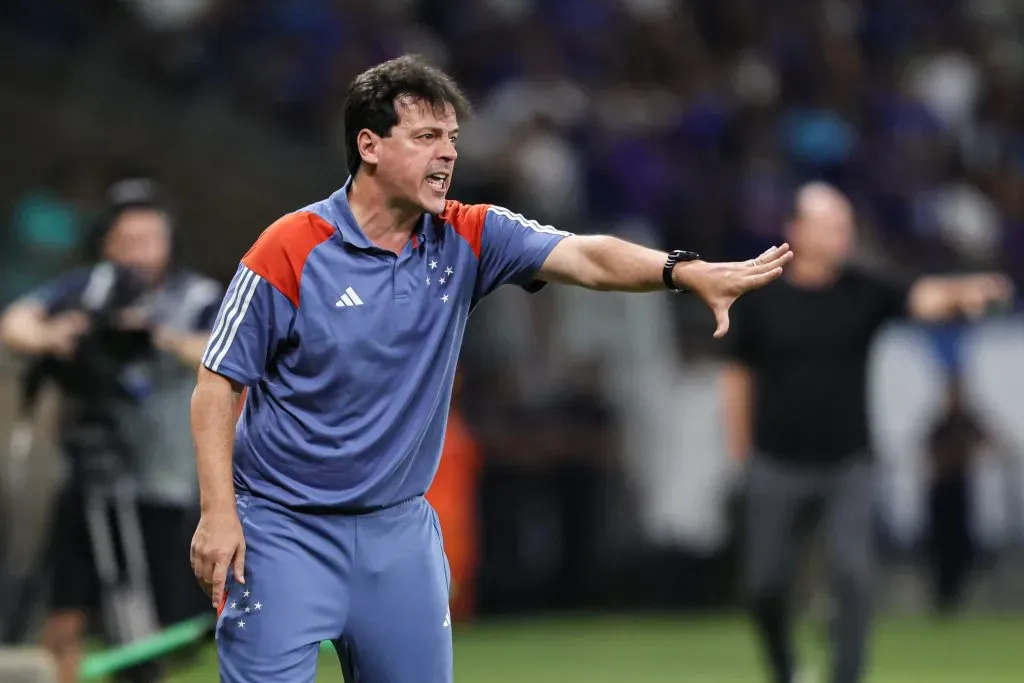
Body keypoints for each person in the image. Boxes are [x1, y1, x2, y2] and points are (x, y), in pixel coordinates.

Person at [189, 54, 794, 683]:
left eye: (451, 138)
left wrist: (682, 270)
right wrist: (219, 513)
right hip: (285, 531)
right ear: (368, 145)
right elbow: (216, 385)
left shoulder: (469, 236)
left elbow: (585, 256)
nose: (447, 154)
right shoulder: (289, 248)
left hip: (398, 536)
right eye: (426, 137)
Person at [720, 182, 1013, 683]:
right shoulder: (761, 296)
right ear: (796, 231)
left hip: (847, 461)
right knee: (765, 584)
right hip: (777, 459)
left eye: (845, 225)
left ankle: (845, 676)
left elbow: (922, 297)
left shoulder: (864, 288)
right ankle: (785, 666)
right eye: (830, 224)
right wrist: (741, 447)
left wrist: (966, 292)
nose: (842, 234)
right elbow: (737, 374)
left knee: (853, 576)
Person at [0, 178, 221, 683]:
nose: (135, 254)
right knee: (64, 612)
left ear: (169, 242)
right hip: (86, 471)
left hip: (161, 482)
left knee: (148, 628)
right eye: (124, 242)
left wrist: (156, 337)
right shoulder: (91, 286)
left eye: (147, 240)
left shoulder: (199, 297)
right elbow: (15, 321)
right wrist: (54, 336)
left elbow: (225, 355)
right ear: (106, 244)